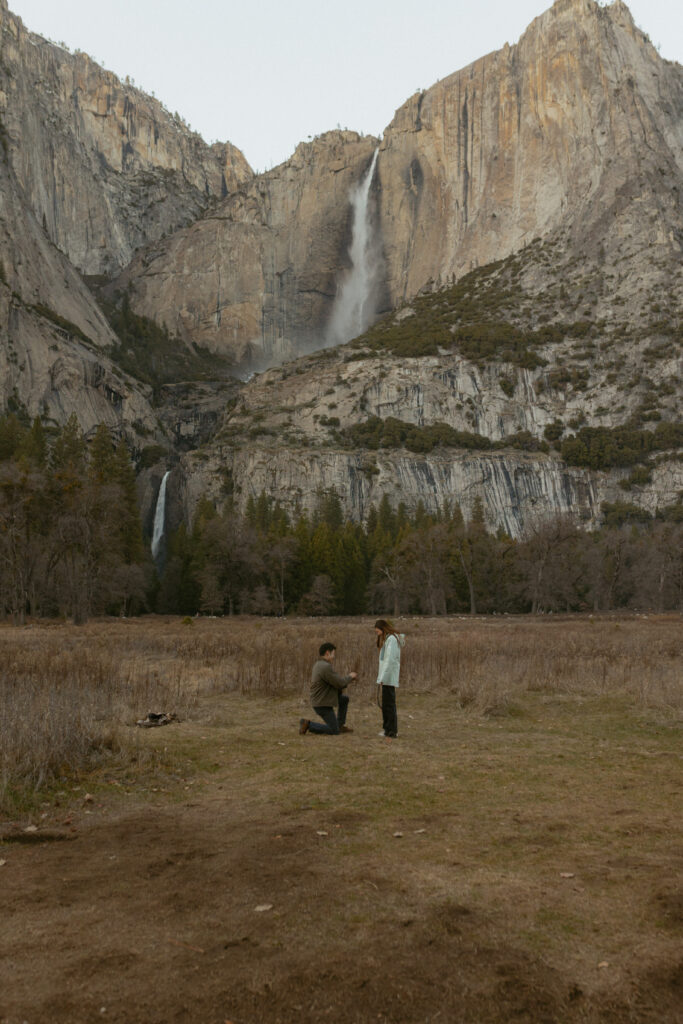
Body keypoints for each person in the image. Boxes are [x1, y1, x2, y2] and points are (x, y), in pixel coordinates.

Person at [299, 642, 357, 735]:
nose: (334, 656)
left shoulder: (319, 664)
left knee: (344, 699)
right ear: (327, 653)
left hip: (322, 699)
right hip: (322, 704)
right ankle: (308, 725)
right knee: (334, 730)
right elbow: (340, 683)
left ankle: (340, 725)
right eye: (333, 654)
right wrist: (350, 677)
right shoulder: (325, 667)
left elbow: (335, 682)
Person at [374, 619, 405, 739]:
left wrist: (382, 677)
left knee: (389, 705)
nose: (376, 632)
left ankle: (391, 731)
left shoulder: (391, 639)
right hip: (386, 677)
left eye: (377, 630)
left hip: (388, 677)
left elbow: (389, 660)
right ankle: (387, 729)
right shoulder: (388, 639)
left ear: (382, 628)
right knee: (386, 704)